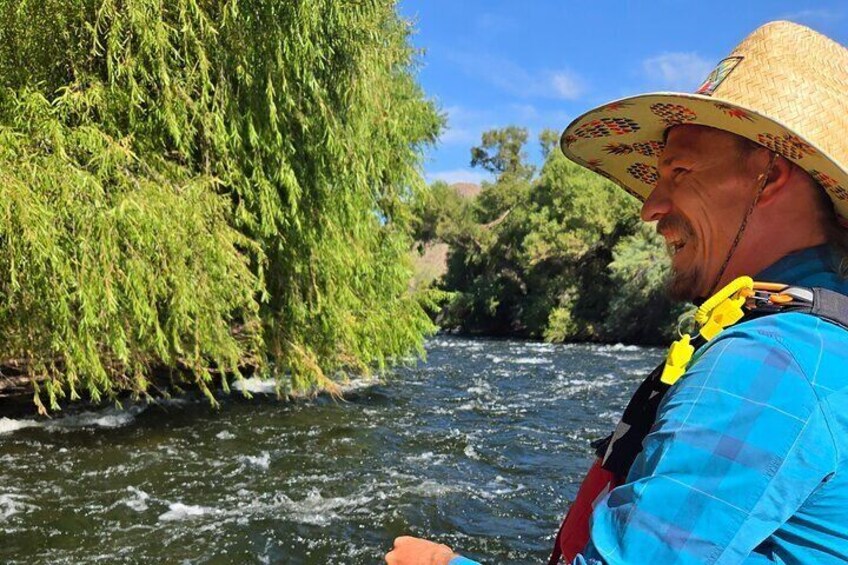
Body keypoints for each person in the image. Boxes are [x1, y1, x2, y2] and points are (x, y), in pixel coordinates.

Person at [385, 20, 848, 565]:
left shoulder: (771, 360)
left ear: (770, 177)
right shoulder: (821, 340)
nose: (650, 206)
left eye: (679, 170)